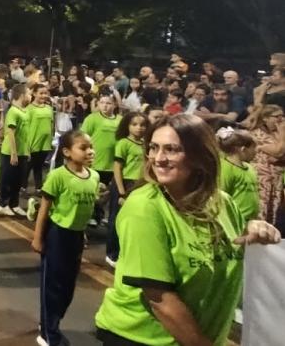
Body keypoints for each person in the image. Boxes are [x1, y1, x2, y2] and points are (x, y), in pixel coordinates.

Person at [94, 114, 281, 345]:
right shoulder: (144, 207)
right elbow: (160, 299)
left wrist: (254, 227)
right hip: (143, 338)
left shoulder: (222, 202)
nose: (158, 158)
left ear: (199, 155)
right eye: (154, 148)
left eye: (171, 149)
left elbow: (235, 241)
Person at [32, 130, 100, 346]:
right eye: (83, 147)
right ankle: (48, 333)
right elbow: (45, 208)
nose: (90, 151)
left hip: (76, 237)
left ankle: (52, 322)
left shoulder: (94, 176)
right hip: (57, 235)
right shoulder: (58, 176)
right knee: (52, 285)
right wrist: (37, 238)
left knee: (68, 287)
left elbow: (84, 211)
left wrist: (83, 233)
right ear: (67, 152)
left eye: (91, 147)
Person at [105, 111, 147, 268]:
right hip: (125, 183)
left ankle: (127, 252)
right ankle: (112, 253)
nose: (139, 128)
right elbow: (117, 168)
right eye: (134, 124)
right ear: (127, 126)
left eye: (142, 125)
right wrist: (122, 192)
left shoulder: (145, 144)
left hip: (140, 184)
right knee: (117, 219)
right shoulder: (123, 143)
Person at [81, 94, 120, 222]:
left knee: (106, 193)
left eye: (108, 103)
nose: (105, 105)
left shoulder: (120, 120)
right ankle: (89, 215)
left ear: (114, 105)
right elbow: (83, 138)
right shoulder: (92, 118)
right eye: (102, 102)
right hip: (94, 163)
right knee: (92, 192)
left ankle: (99, 214)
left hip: (111, 164)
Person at [246, 104, 285, 223]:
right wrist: (283, 133)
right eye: (277, 117)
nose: (282, 120)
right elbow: (278, 152)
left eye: (283, 116)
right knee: (262, 211)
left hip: (277, 178)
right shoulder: (257, 134)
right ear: (265, 118)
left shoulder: (276, 133)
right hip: (262, 178)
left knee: (273, 212)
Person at [0, 84, 32, 217]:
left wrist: (27, 151)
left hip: (22, 152)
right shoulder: (13, 111)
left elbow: (26, 134)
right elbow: (10, 132)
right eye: (29, 93)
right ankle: (2, 204)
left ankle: (14, 204)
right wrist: (13, 153)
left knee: (18, 180)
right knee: (7, 180)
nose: (30, 96)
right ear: (22, 95)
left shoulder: (25, 111)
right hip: (11, 153)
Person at [217, 126, 260, 222]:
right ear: (243, 149)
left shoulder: (250, 168)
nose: (256, 151)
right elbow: (220, 196)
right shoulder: (226, 168)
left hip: (250, 221)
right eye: (253, 148)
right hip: (235, 221)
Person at [26, 84, 55, 195]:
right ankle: (23, 188)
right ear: (34, 94)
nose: (43, 95)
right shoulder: (29, 108)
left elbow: (51, 124)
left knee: (39, 167)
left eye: (45, 93)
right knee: (28, 167)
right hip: (32, 143)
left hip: (45, 144)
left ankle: (39, 187)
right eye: (41, 93)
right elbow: (26, 127)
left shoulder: (49, 108)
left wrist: (51, 137)